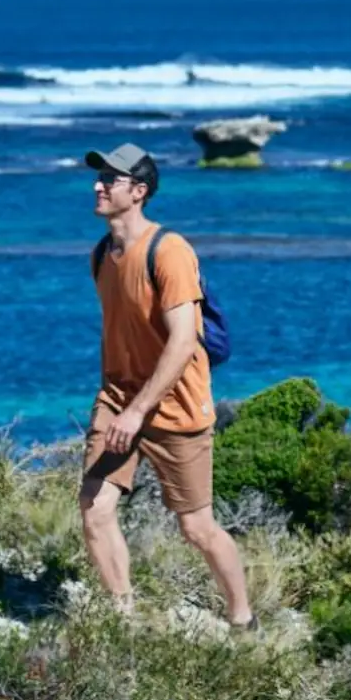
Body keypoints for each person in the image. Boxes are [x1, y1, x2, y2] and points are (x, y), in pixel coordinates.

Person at [79, 144, 254, 629]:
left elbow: (183, 341)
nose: (98, 186)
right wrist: (123, 405)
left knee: (196, 527)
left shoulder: (169, 251)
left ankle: (243, 619)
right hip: (117, 398)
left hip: (175, 407)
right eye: (98, 178)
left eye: (110, 180)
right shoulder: (101, 255)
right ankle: (123, 621)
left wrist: (139, 411)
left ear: (138, 192)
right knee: (95, 508)